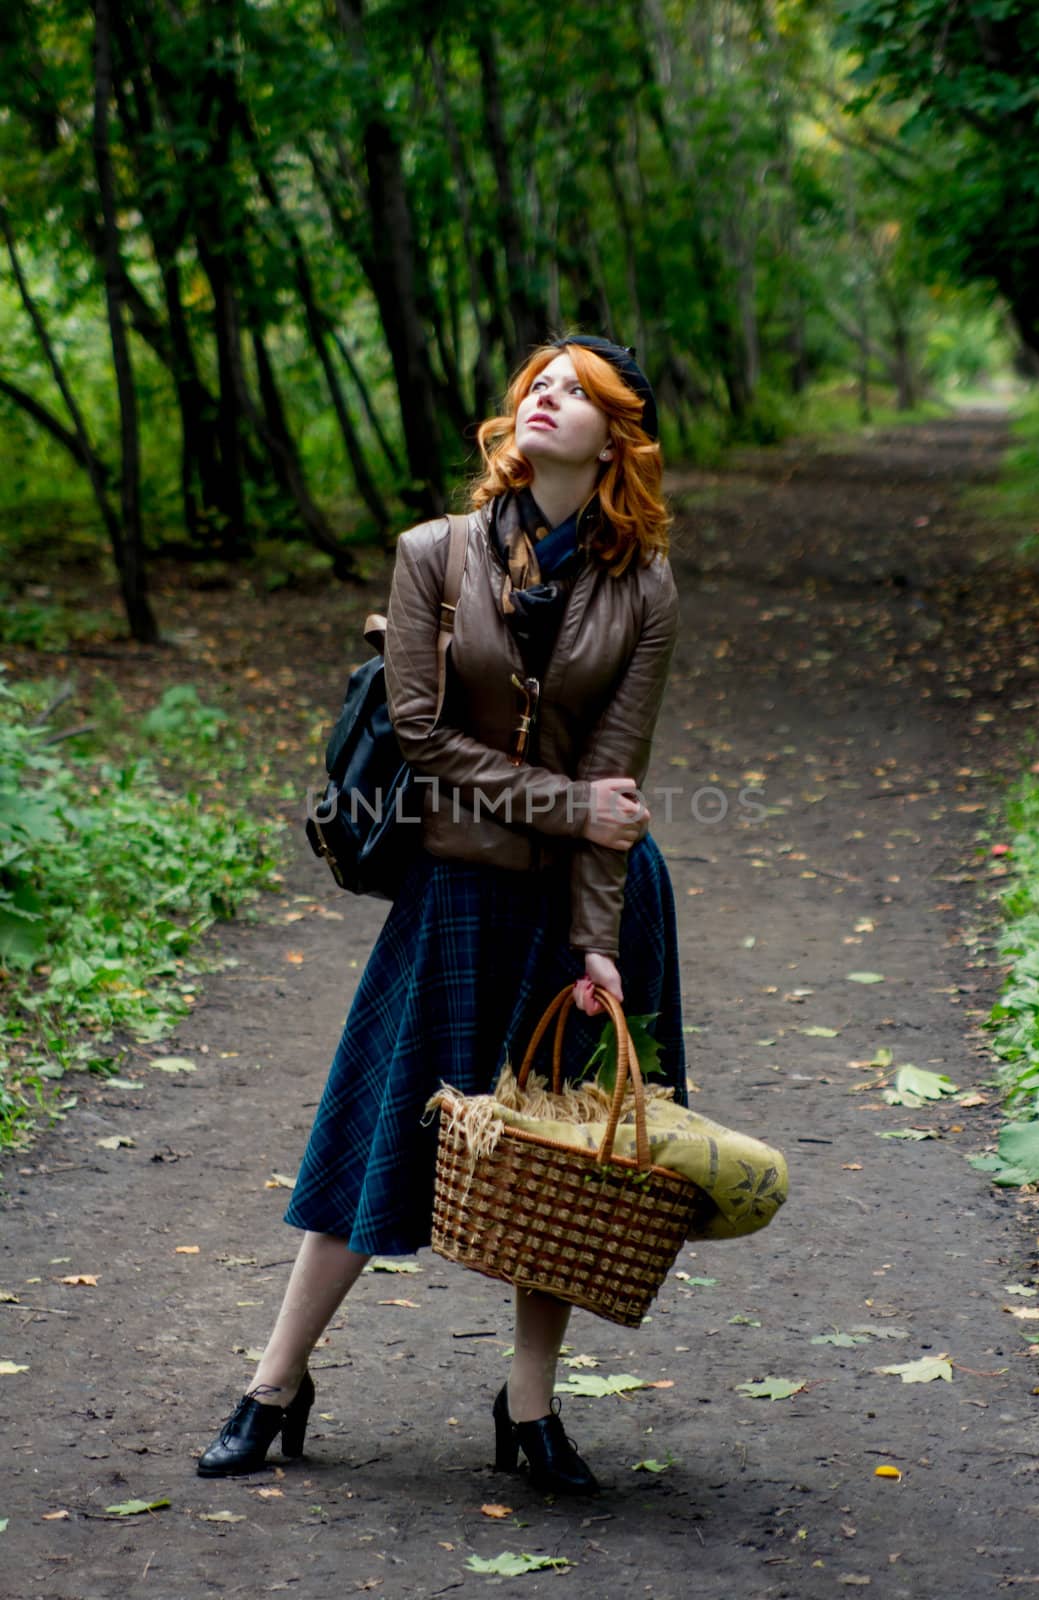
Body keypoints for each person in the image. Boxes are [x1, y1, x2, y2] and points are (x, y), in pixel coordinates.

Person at [196, 334, 686, 1495]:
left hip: (581, 897)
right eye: (537, 387)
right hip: (460, 889)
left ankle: (529, 1411)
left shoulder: (644, 588)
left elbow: (618, 793)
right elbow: (422, 737)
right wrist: (567, 802)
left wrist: (599, 946)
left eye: (573, 393)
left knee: (562, 1160)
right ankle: (273, 1383)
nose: (545, 401)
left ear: (617, 435)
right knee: (380, 1129)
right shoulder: (436, 554)